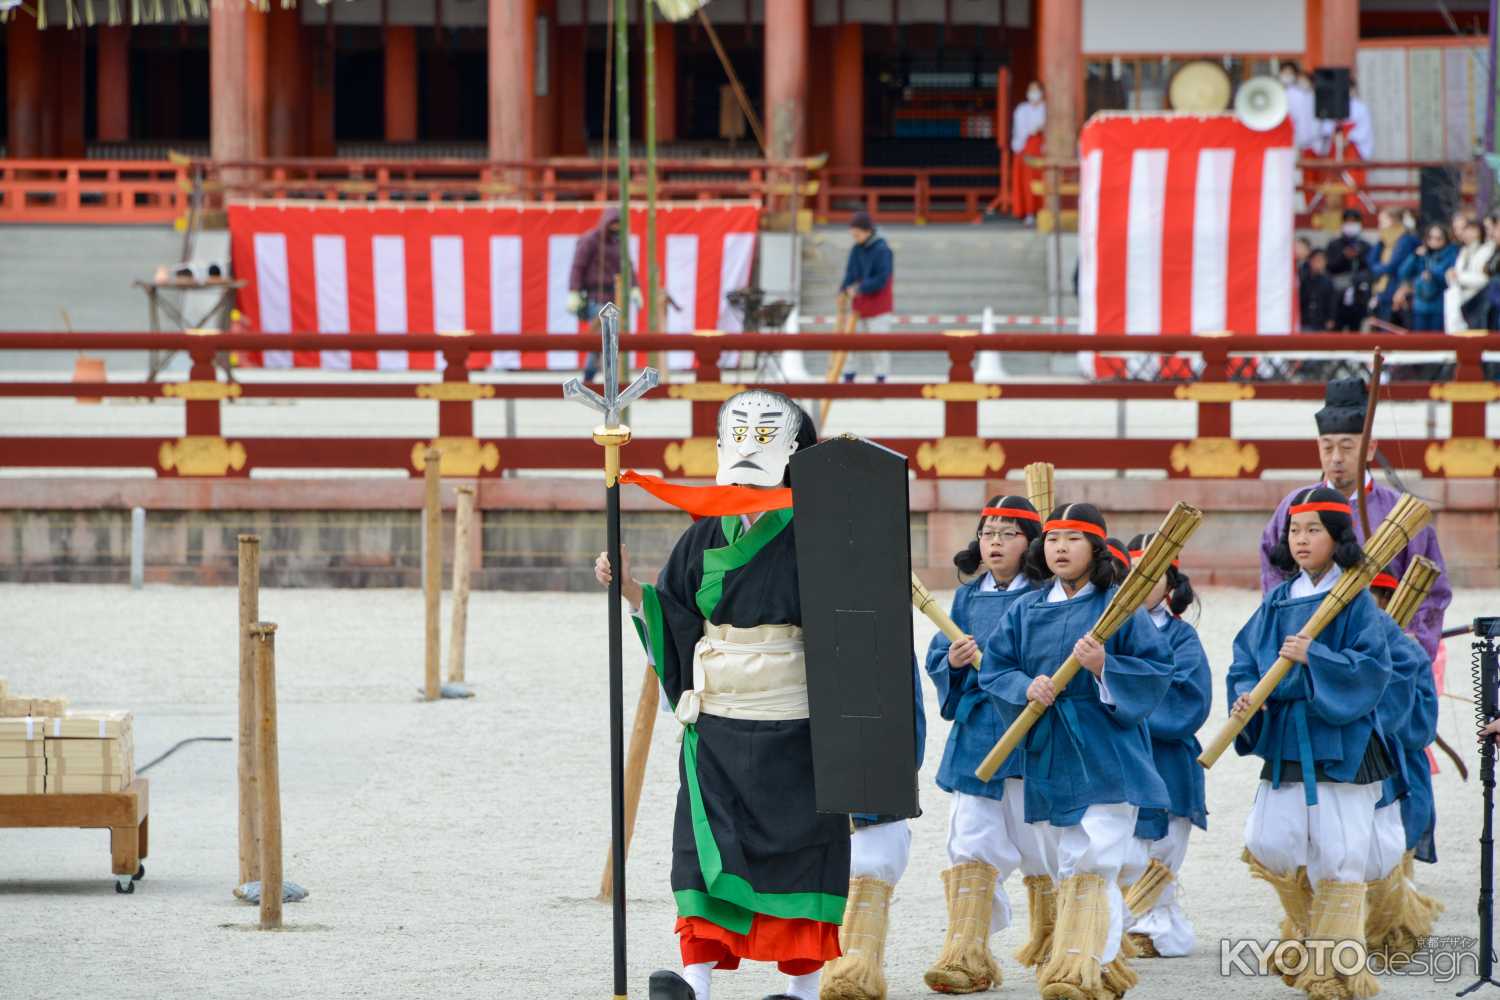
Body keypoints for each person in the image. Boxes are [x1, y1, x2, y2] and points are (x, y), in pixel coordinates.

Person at [595, 389, 842, 1000]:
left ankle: (803, 989)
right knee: (703, 851)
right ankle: (695, 980)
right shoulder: (705, 532)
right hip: (718, 720)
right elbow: (676, 612)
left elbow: (849, 628)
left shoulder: (821, 530)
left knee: (800, 852)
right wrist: (629, 586)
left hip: (796, 722)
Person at [978, 503, 1174, 1000]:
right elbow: (995, 668)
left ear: (1096, 549)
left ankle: (1079, 968)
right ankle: (1098, 965)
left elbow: (1156, 670)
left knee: (1097, 855)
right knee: (1068, 858)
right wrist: (1026, 687)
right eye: (1053, 538)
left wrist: (1106, 665)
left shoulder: (1119, 608)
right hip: (1051, 749)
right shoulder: (1026, 608)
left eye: (1073, 538)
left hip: (1107, 746)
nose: (1060, 548)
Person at [1232, 486, 1393, 999]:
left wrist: (1315, 659)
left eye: (1313, 530)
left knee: (1340, 849)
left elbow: (1373, 667)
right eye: (1294, 530)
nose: (1300, 540)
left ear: (1336, 537)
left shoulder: (1354, 599)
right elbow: (1245, 660)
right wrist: (1245, 697)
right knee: (1268, 840)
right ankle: (1311, 936)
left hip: (1338, 737)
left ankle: (1336, 971)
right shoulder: (1278, 599)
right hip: (1285, 735)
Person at [919, 496, 1047, 995]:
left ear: (1030, 542)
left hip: (1030, 730)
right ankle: (965, 955)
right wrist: (952, 660)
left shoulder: (1046, 597)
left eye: (1008, 533)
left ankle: (1056, 943)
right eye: (988, 533)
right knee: (969, 839)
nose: (995, 542)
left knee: (1041, 846)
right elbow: (937, 656)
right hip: (976, 731)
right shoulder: (967, 597)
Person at [1259, 377, 1451, 660]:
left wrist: (1412, 641)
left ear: (1370, 448)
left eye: (1347, 448)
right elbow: (1274, 574)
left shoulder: (1401, 513)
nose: (1336, 458)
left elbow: (1431, 591)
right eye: (1327, 447)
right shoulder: (1295, 506)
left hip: (1381, 651)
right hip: (1306, 645)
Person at [1118, 534, 1210, 961]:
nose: (1138, 583)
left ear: (1171, 584)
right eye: (1130, 574)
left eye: (1150, 575)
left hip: (1166, 757)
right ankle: (1123, 922)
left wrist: (1125, 699)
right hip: (1120, 755)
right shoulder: (1108, 633)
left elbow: (1188, 698)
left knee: (1161, 847)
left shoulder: (1182, 638)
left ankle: (1152, 924)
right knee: (1118, 843)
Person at [1361, 573, 1443, 969]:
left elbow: (1420, 726)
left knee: (1391, 854)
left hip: (1400, 773)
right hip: (1356, 767)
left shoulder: (1408, 655)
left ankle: (1397, 934)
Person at [568, 208, 641, 381]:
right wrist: (574, 291)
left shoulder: (618, 243)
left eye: (618, 224)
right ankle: (589, 376)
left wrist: (634, 287)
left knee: (613, 341)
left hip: (615, 297)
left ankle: (610, 378)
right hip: (597, 298)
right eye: (613, 223)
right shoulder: (590, 240)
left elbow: (628, 267)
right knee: (601, 340)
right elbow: (578, 266)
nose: (616, 227)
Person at [839, 211, 895, 384]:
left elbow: (882, 278)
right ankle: (848, 376)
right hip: (858, 304)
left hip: (878, 305)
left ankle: (881, 379)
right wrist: (843, 290)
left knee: (878, 345)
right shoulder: (856, 249)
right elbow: (850, 273)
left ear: (867, 231)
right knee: (851, 344)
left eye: (857, 234)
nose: (855, 237)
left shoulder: (883, 250)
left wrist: (860, 288)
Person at [1394, 224, 1456, 332]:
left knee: (1437, 342)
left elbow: (1449, 277)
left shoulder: (1451, 253)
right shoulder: (1422, 254)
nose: (1434, 242)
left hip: (1439, 306)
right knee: (1420, 341)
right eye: (1430, 238)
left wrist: (1432, 274)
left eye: (1438, 238)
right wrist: (1414, 256)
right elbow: (1403, 273)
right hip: (1420, 305)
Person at [1366, 209, 1420, 326]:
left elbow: (1393, 266)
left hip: (1396, 291)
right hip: (1383, 291)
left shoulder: (1405, 240)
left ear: (1392, 221)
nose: (1380, 225)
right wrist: (1381, 241)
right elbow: (1370, 260)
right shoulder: (1384, 240)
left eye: (1382, 221)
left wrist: (1377, 268)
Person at [1325, 209, 1375, 331]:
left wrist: (1359, 256)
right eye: (1348, 222)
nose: (1351, 225)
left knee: (1356, 328)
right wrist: (1344, 256)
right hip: (1338, 293)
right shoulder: (1334, 244)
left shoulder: (1365, 245)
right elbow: (1329, 267)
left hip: (1358, 294)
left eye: (1354, 222)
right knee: (1336, 329)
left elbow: (1370, 268)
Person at [1445, 212, 1496, 332]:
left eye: (1472, 229)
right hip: (1460, 301)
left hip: (1477, 301)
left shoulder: (1488, 249)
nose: (1467, 233)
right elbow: (1455, 277)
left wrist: (1459, 277)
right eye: (1466, 230)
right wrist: (1451, 276)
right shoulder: (1464, 251)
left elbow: (1484, 279)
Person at [1011, 83, 1046, 226]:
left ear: (1042, 92)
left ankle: (1042, 211)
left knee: (1043, 180)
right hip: (1026, 147)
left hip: (1042, 147)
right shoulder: (1022, 110)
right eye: (1031, 90)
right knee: (1027, 183)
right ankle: (1029, 212)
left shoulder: (1047, 108)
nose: (1034, 93)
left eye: (1036, 90)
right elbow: (1020, 131)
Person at [1280, 64, 1319, 155]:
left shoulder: (1300, 95)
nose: (1286, 76)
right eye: (1284, 73)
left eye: (1289, 73)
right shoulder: (1279, 92)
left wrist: (1302, 139)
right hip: (1280, 137)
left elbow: (1303, 119)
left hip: (1297, 137)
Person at [1299, 249, 1336, 332]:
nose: (1318, 263)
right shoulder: (1302, 278)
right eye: (1316, 260)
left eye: (1321, 261)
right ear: (1310, 261)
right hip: (1304, 320)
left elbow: (1331, 301)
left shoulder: (1328, 281)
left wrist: (1331, 318)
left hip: (1320, 322)